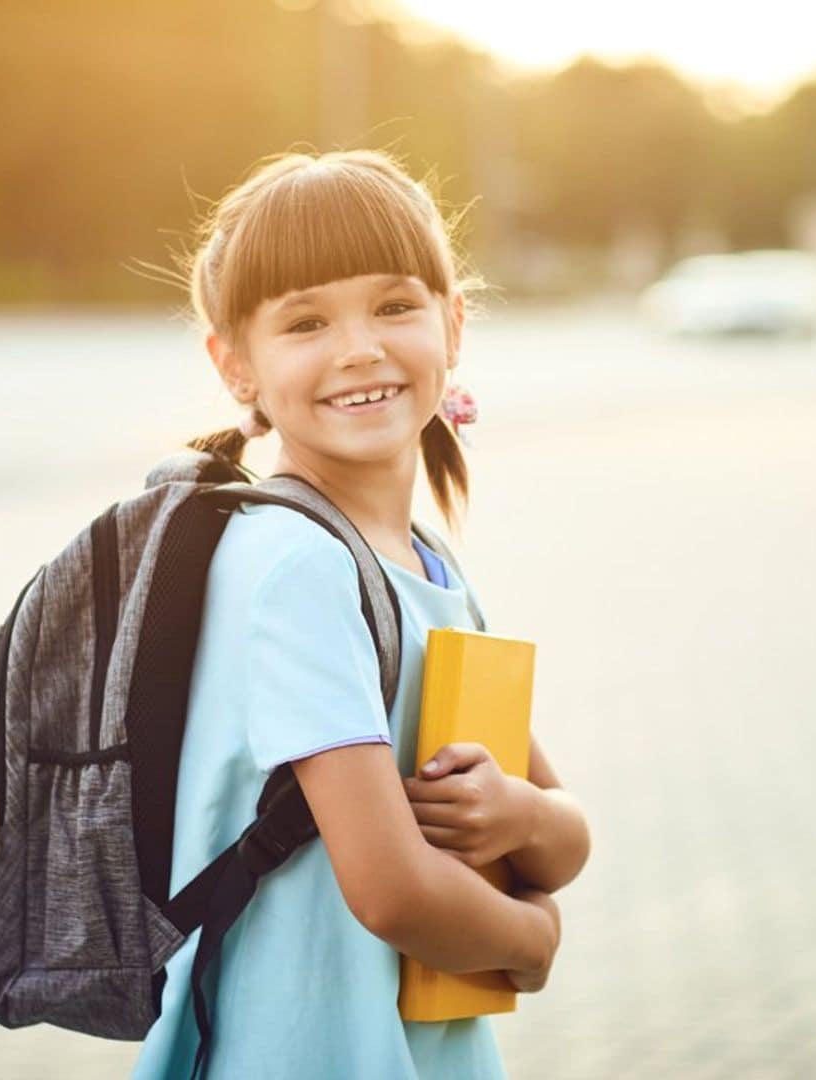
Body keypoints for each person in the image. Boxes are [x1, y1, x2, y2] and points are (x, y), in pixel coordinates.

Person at [131, 148, 591, 1079]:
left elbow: (564, 827)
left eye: (394, 305)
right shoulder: (294, 564)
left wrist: (513, 815)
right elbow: (392, 891)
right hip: (309, 1051)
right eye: (305, 322)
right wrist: (533, 941)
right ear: (235, 365)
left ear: (453, 324)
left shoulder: (425, 562)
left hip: (420, 1045)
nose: (359, 349)